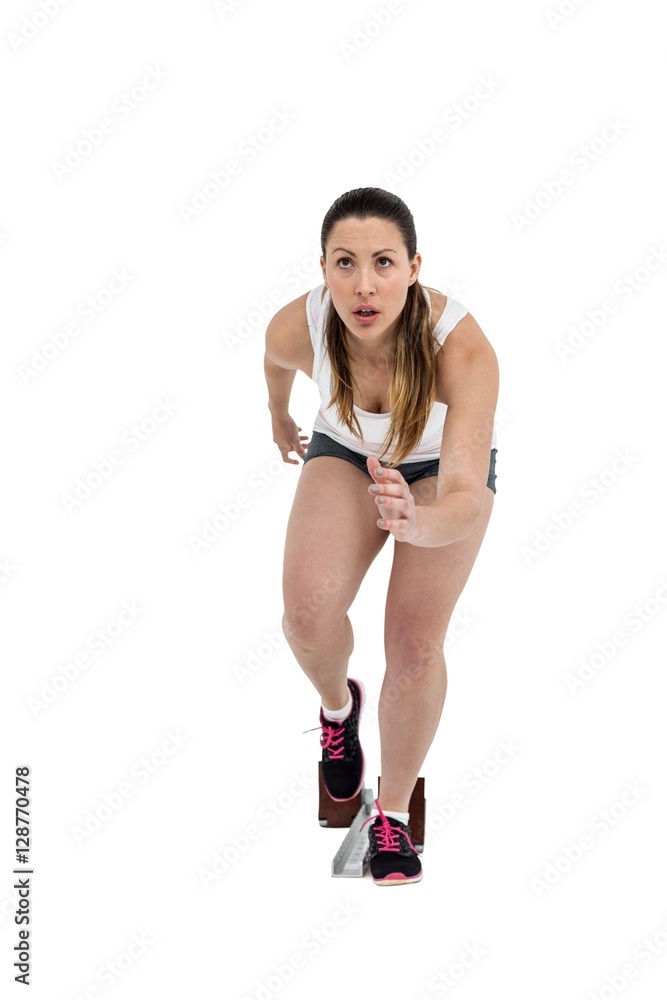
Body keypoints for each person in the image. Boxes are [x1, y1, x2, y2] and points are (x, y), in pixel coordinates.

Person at [264, 187, 499, 886]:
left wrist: (416, 522)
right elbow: (274, 366)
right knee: (306, 616)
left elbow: (465, 496)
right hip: (344, 449)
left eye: (383, 263)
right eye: (345, 263)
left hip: (437, 472)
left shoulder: (461, 347)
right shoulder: (299, 325)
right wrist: (278, 419)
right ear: (323, 268)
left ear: (413, 266)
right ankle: (339, 709)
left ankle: (390, 816)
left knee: (413, 644)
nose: (364, 285)